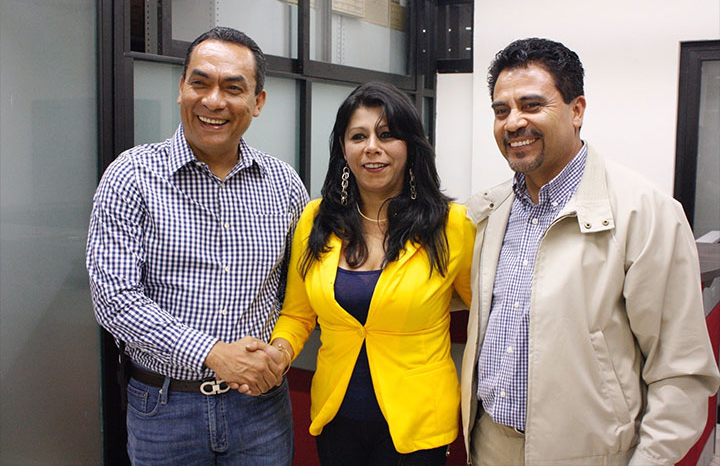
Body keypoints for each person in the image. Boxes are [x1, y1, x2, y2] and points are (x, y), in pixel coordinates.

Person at [459, 37, 720, 465]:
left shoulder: (643, 212)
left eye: (531, 105)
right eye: (501, 111)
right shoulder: (489, 210)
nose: (513, 122)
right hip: (489, 445)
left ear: (577, 110)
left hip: (589, 455)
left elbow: (680, 369)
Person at [86, 27, 308, 465]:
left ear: (258, 102)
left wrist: (279, 354)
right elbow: (114, 299)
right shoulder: (131, 176)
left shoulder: (284, 184)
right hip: (164, 407)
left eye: (233, 88)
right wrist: (213, 354)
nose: (213, 101)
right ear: (181, 88)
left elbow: (297, 293)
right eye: (200, 83)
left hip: (261, 408)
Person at [266, 81, 475, 465]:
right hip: (335, 416)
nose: (371, 147)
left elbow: (483, 317)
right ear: (343, 148)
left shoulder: (451, 225)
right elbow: (297, 314)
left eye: (387, 135)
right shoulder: (315, 220)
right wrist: (278, 352)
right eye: (358, 136)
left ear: (410, 146)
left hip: (418, 422)